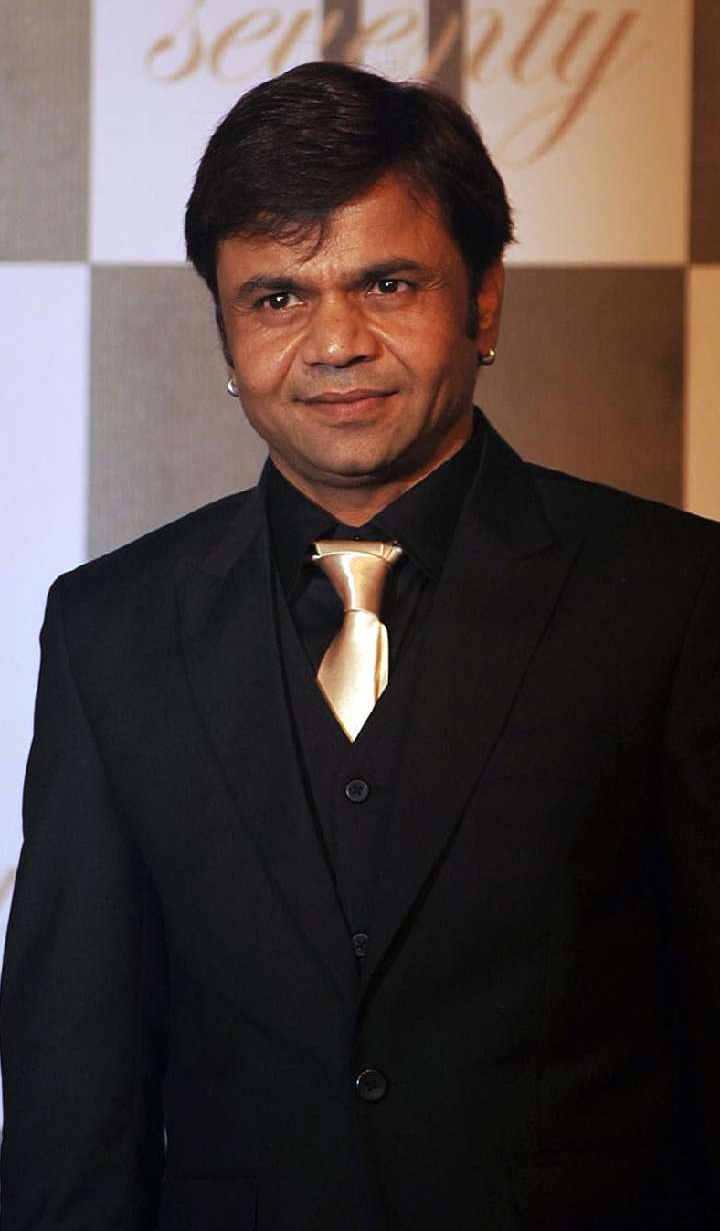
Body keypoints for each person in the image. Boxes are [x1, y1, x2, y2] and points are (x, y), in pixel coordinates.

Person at [1, 61, 718, 1231]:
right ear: (225, 330)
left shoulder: (675, 594)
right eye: (277, 297)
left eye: (387, 283)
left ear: (484, 301)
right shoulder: (109, 629)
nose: (336, 343)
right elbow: (72, 1094)